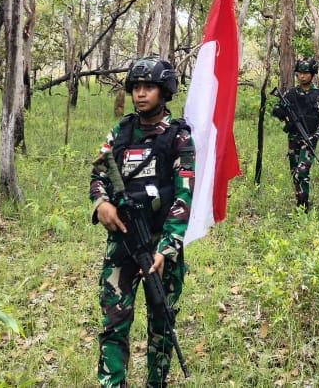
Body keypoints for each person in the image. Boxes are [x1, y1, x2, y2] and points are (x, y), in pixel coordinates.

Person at [90, 57, 194, 388]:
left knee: (161, 326)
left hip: (161, 247)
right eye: (136, 87)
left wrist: (167, 248)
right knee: (113, 324)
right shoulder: (120, 132)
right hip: (122, 245)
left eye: (148, 87)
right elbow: (98, 173)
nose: (140, 94)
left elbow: (184, 195)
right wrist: (101, 203)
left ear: (164, 91)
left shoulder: (179, 138)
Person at [271, 58, 319, 211]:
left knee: (302, 172)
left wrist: (317, 134)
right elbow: (277, 110)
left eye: (306, 73)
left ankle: (303, 207)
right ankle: (300, 201)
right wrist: (283, 114)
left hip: (309, 138)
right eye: (300, 73)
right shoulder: (290, 94)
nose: (302, 76)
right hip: (293, 138)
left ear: (312, 74)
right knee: (294, 172)